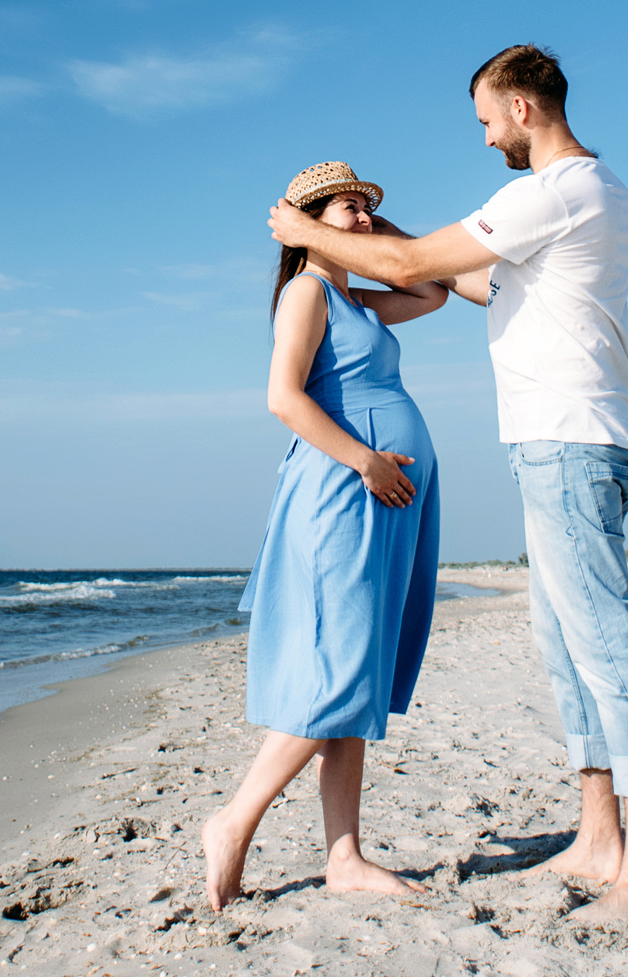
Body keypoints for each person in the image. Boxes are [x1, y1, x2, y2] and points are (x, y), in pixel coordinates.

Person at [267, 46, 628, 921]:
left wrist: (314, 233)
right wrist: (370, 245)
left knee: (604, 645)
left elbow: (420, 272)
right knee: (568, 648)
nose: (487, 135)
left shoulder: (551, 191)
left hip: (569, 439)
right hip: (562, 440)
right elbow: (459, 279)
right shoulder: (583, 197)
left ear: (522, 108)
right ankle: (600, 837)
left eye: (488, 118)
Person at [203, 161, 451, 909]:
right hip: (344, 492)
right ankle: (233, 819)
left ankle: (344, 854)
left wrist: (377, 226)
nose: (365, 219)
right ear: (311, 220)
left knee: (360, 673)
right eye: (350, 208)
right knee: (339, 670)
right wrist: (367, 460)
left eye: (367, 209)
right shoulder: (308, 293)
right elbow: (282, 397)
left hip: (384, 495)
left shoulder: (360, 300)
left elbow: (432, 288)